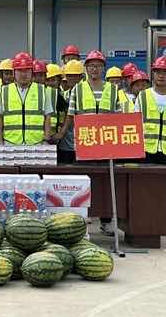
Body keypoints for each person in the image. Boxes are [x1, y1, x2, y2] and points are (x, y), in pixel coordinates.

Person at [56, 50, 120, 235]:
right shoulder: (77, 89)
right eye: (91, 65)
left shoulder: (113, 89)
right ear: (86, 68)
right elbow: (71, 115)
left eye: (98, 65)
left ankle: (106, 221)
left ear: (103, 68)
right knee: (83, 183)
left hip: (106, 143)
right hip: (84, 143)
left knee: (105, 183)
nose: (95, 69)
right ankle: (81, 220)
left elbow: (118, 117)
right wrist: (61, 134)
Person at [134, 56, 166, 239]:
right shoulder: (143, 96)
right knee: (144, 189)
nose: (161, 76)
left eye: (165, 72)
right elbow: (135, 123)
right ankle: (145, 223)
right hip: (146, 150)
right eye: (158, 72)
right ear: (153, 74)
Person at [0, 52, 53, 145]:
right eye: (20, 71)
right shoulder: (4, 91)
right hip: (10, 144)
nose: (23, 74)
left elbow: (47, 117)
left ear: (32, 72)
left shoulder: (42, 90)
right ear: (14, 72)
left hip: (36, 144)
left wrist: (46, 140)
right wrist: (0, 141)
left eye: (27, 70)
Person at [53, 60, 84, 163]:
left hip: (82, 142)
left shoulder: (86, 95)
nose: (71, 78)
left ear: (81, 77)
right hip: (65, 145)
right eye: (69, 76)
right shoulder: (63, 95)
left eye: (75, 76)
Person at [45, 64, 65, 133]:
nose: (50, 83)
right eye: (48, 80)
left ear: (59, 81)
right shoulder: (42, 95)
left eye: (53, 80)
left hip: (56, 134)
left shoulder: (62, 96)